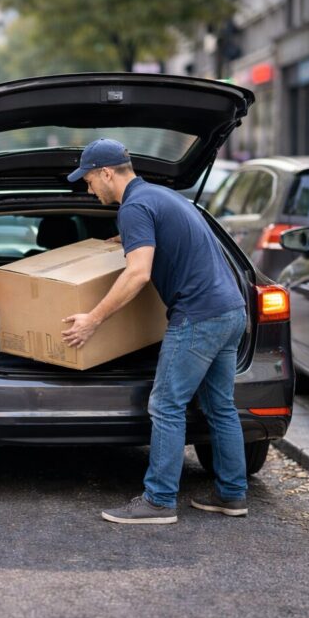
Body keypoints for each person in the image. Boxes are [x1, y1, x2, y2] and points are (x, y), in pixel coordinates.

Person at [61, 138, 249, 524]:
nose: (88, 188)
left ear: (107, 173)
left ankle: (159, 501)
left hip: (198, 317)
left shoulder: (134, 207)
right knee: (220, 407)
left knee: (165, 405)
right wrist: (118, 242)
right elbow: (158, 242)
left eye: (89, 180)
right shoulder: (163, 197)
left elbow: (139, 273)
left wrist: (92, 319)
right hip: (231, 310)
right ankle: (232, 495)